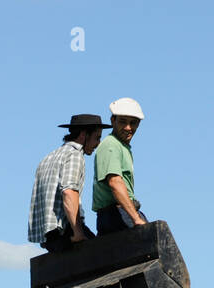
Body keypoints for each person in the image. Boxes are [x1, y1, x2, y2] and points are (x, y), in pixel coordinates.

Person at [28, 113, 110, 252]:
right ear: (84, 135)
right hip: (65, 230)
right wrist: (78, 232)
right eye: (97, 137)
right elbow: (68, 191)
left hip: (49, 236)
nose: (98, 143)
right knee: (105, 255)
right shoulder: (74, 155)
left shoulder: (49, 157)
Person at [92, 97, 148, 235]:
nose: (128, 128)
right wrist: (135, 218)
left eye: (133, 123)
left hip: (120, 212)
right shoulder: (111, 145)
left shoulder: (121, 146)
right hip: (117, 214)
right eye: (123, 121)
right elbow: (115, 182)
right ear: (113, 120)